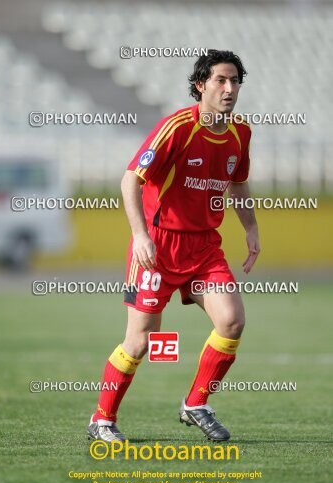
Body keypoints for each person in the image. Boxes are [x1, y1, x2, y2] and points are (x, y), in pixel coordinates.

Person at [88, 49, 260, 443]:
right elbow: (130, 179)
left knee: (232, 321)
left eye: (235, 80)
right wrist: (140, 234)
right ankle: (102, 419)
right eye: (220, 80)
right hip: (159, 247)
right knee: (140, 341)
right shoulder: (177, 127)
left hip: (203, 249)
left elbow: (238, 181)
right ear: (201, 85)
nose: (229, 88)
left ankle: (196, 404)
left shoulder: (240, 133)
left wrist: (251, 228)